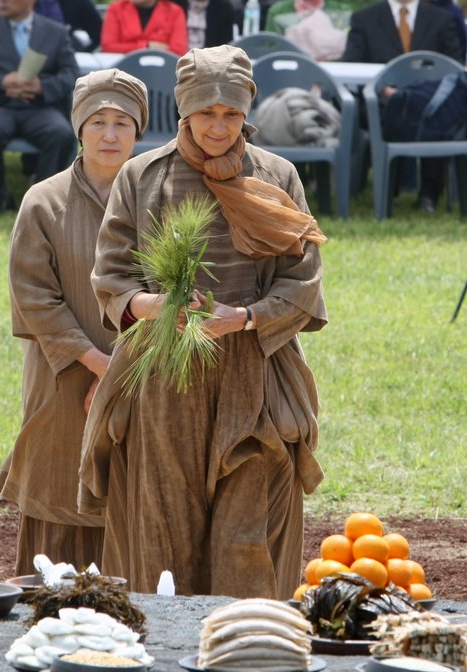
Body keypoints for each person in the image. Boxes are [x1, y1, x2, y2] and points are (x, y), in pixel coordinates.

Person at [79, 45, 327, 598]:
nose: (219, 126)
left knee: (247, 538)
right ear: (183, 113)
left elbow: (303, 283)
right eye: (206, 113)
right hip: (165, 379)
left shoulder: (277, 176)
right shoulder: (143, 176)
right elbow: (112, 275)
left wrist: (241, 317)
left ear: (247, 112)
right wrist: (158, 308)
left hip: (254, 376)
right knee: (164, 538)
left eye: (232, 114)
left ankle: (247, 647)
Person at [0, 69, 149, 576]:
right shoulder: (43, 201)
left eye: (123, 123)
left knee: (133, 496)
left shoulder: (162, 203)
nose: (110, 134)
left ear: (139, 131)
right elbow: (34, 297)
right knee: (59, 485)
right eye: (98, 121)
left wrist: (124, 370)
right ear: (78, 128)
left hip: (143, 378)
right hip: (63, 376)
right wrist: (95, 363)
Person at [0, 0, 79, 213]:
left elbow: (71, 74)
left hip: (39, 108)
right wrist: (0, 82)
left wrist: (42, 86)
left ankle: (42, 195)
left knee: (62, 134)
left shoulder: (54, 31)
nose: (1, 1)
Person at [341, 0, 464, 212]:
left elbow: (454, 69)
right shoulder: (364, 19)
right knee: (393, 111)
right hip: (381, 104)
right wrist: (383, 90)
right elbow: (352, 64)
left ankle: (429, 195)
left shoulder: (442, 19)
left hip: (429, 104)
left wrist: (413, 95)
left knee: (433, 114)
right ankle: (389, 190)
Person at [100, 0, 187, 54]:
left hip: (161, 73)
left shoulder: (175, 11)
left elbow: (179, 50)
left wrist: (128, 47)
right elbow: (108, 46)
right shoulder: (115, 9)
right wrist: (146, 46)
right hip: (123, 72)